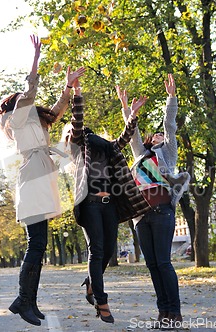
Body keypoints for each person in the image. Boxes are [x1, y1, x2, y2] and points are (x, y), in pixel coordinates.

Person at [0, 35, 85, 326]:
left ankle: (27, 301)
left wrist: (69, 87)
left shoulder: (34, 120)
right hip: (33, 177)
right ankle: (24, 300)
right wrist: (35, 59)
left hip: (41, 174)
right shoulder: (17, 119)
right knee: (35, 244)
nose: (29, 103)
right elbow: (30, 92)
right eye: (21, 101)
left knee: (39, 244)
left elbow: (58, 111)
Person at [64, 78, 150, 324]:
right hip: (90, 203)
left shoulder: (107, 146)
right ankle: (102, 301)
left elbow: (123, 139)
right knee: (97, 249)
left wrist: (132, 116)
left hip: (110, 204)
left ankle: (91, 283)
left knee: (109, 248)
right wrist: (77, 92)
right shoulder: (80, 142)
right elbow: (77, 121)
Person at [116, 74, 190, 329]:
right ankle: (163, 313)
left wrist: (171, 98)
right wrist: (127, 108)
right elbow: (132, 133)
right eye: (156, 134)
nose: (160, 135)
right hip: (140, 216)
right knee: (152, 265)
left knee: (163, 262)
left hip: (161, 212)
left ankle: (175, 312)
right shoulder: (139, 155)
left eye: (161, 135)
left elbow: (170, 126)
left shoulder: (167, 153)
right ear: (150, 140)